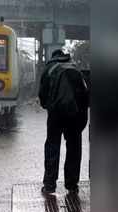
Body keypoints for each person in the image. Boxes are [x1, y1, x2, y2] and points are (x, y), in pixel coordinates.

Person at [38, 49, 89, 195]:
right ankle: (72, 184)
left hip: (55, 114)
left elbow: (42, 94)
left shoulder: (49, 69)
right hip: (75, 114)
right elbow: (85, 94)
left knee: (52, 146)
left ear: (53, 57)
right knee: (74, 148)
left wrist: (48, 106)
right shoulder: (75, 68)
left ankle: (49, 185)